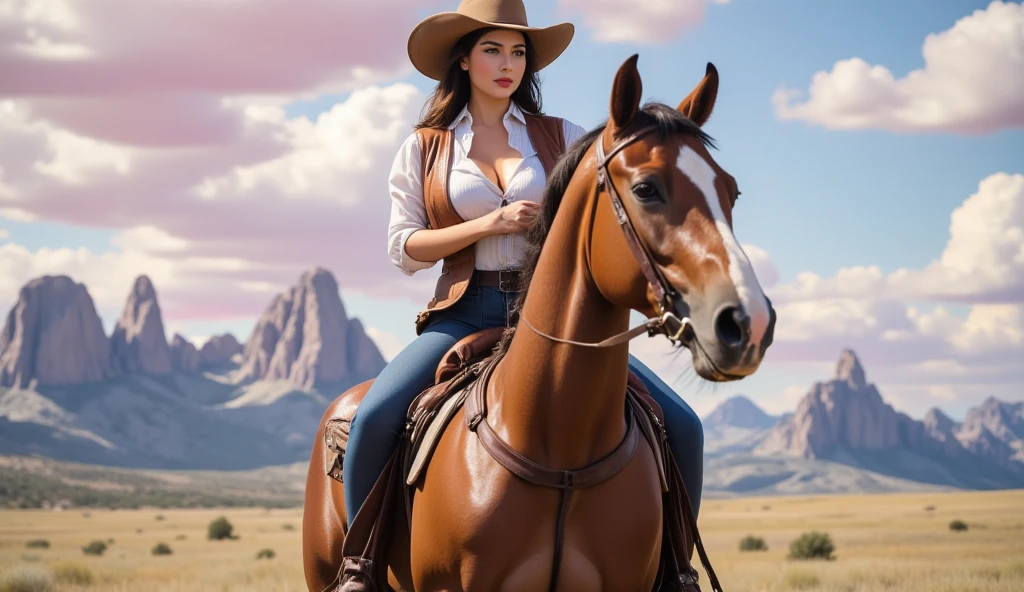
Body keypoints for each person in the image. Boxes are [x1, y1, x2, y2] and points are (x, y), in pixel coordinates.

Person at [342, 0, 706, 523]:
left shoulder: (562, 136)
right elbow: (405, 248)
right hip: (463, 313)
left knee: (685, 426)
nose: (508, 63)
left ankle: (677, 571)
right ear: (464, 60)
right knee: (373, 418)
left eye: (518, 52)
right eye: (492, 50)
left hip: (553, 316)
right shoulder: (425, 147)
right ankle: (360, 563)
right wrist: (490, 224)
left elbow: (601, 221)